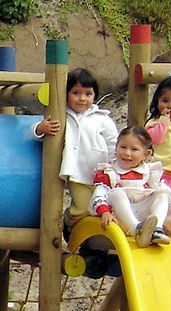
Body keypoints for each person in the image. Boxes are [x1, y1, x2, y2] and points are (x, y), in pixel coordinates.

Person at [32, 68, 118, 238]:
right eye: (76, 93)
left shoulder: (101, 118)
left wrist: (115, 166)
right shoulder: (62, 115)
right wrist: (40, 128)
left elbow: (113, 142)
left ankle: (92, 239)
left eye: (88, 94)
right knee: (84, 207)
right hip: (77, 172)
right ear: (66, 94)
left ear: (94, 96)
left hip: (101, 172)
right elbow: (35, 132)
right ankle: (68, 220)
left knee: (102, 206)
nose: (82, 98)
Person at [89, 125, 171, 248]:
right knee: (117, 193)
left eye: (134, 149)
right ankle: (137, 230)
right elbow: (99, 194)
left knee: (161, 194)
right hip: (121, 220)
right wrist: (105, 212)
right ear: (116, 148)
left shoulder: (149, 172)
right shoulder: (110, 172)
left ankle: (156, 229)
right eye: (123, 147)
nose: (127, 153)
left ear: (146, 154)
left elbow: (168, 192)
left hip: (145, 218)